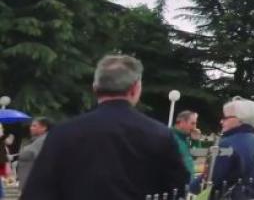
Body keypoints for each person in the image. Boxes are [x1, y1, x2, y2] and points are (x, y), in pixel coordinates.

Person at [21, 55, 189, 200]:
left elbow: (37, 192)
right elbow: (177, 189)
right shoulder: (159, 135)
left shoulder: (62, 134)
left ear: (95, 89)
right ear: (135, 88)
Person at [204, 97, 254, 200]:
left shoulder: (227, 144)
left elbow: (212, 178)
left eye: (225, 117)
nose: (221, 121)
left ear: (239, 120)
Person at [17, 117, 52, 193]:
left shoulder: (43, 140)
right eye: (31, 126)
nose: (31, 128)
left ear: (44, 128)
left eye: (34, 126)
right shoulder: (36, 140)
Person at [172, 110, 200, 178]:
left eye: (195, 124)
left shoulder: (185, 138)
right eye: (192, 123)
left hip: (188, 182)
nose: (194, 127)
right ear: (182, 122)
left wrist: (195, 141)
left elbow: (195, 156)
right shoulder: (170, 137)